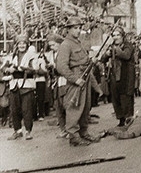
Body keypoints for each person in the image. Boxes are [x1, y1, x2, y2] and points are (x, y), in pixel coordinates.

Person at [56, 17, 102, 146]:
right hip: (75, 79)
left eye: (79, 28)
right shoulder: (66, 45)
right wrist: (75, 79)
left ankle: (84, 133)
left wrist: (92, 61)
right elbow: (61, 67)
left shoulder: (78, 43)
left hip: (84, 77)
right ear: (68, 30)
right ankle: (74, 136)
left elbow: (85, 62)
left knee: (85, 107)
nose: (78, 30)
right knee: (74, 107)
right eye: (75, 28)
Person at [4, 34, 43, 140]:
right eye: (19, 43)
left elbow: (34, 69)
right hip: (14, 85)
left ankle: (28, 131)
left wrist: (20, 69)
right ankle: (17, 131)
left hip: (27, 86)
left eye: (23, 43)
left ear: (27, 44)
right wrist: (7, 69)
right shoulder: (13, 55)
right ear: (16, 45)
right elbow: (5, 66)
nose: (21, 45)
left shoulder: (32, 55)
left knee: (27, 110)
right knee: (14, 110)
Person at [101, 27, 136, 127]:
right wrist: (106, 54)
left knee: (126, 97)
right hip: (114, 76)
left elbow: (126, 55)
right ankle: (121, 119)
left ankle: (128, 118)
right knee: (116, 98)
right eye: (114, 35)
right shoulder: (111, 46)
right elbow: (102, 59)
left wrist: (115, 50)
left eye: (118, 35)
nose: (116, 37)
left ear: (122, 36)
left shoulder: (127, 45)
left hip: (126, 76)